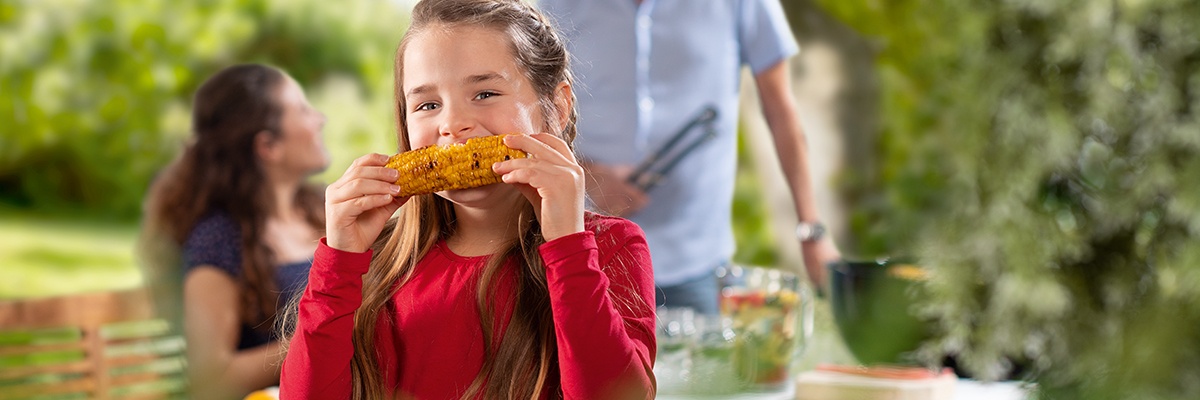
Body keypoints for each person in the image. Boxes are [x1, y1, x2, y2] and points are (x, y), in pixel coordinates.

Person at [277, 0, 657, 399]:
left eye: (485, 93)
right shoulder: (375, 260)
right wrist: (339, 263)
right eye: (427, 105)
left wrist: (567, 245)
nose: (452, 124)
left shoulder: (609, 246)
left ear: (557, 108)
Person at [537, 0, 841, 314]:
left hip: (695, 259)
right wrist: (589, 177)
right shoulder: (555, 5)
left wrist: (811, 229)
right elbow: (532, 113)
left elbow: (782, 112)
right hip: (588, 252)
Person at [139, 64, 329, 399]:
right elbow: (211, 378)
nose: (319, 119)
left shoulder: (322, 209)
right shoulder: (219, 238)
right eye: (302, 110)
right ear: (268, 146)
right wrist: (325, 336)